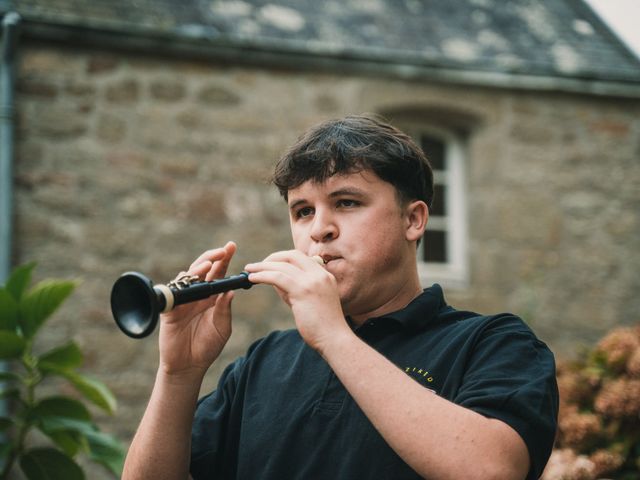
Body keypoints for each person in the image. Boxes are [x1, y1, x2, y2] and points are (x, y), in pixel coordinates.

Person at [122, 114, 558, 480]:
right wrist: (178, 373)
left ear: (414, 219)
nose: (318, 230)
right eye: (303, 211)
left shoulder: (493, 342)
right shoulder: (263, 362)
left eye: (346, 203)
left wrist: (334, 337)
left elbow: (492, 468)